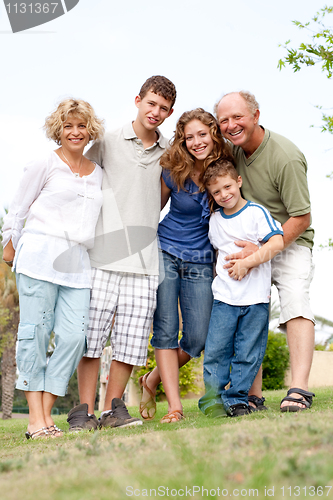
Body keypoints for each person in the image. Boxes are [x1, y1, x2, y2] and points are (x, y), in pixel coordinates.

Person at [67, 76, 177, 431]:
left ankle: (114, 410)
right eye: (151, 103)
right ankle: (82, 411)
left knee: (130, 343)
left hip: (145, 262)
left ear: (169, 112)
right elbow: (78, 179)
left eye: (163, 108)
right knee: (91, 339)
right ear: (138, 100)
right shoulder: (106, 142)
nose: (155, 112)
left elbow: (162, 197)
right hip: (100, 257)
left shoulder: (171, 151)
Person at [1, 98, 105, 439]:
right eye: (68, 126)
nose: (75, 132)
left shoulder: (98, 174)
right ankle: (37, 420)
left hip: (77, 265)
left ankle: (45, 414)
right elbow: (18, 209)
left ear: (91, 130)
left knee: (75, 337)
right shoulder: (45, 162)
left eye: (81, 125)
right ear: (57, 130)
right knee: (35, 334)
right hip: (38, 258)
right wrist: (9, 245)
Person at [216, 91, 315, 412]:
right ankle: (250, 394)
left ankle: (299, 389)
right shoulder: (233, 152)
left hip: (290, 241)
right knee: (249, 312)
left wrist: (264, 250)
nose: (231, 125)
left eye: (238, 117)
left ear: (256, 115)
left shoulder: (285, 156)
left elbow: (301, 217)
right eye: (224, 120)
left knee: (296, 301)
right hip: (250, 244)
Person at [138, 109, 234, 423]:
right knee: (165, 330)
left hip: (202, 259)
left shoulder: (225, 169)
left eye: (201, 135)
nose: (195, 142)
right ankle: (175, 409)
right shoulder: (173, 168)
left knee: (197, 337)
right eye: (188, 136)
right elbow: (153, 209)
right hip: (165, 250)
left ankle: (151, 379)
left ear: (213, 134)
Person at [198, 160, 284, 417]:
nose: (224, 195)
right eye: (216, 192)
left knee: (248, 353)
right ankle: (212, 399)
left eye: (227, 186)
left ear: (238, 181)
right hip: (225, 297)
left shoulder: (256, 212)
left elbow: (277, 243)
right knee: (216, 350)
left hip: (256, 298)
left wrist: (247, 263)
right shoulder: (214, 221)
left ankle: (237, 399)